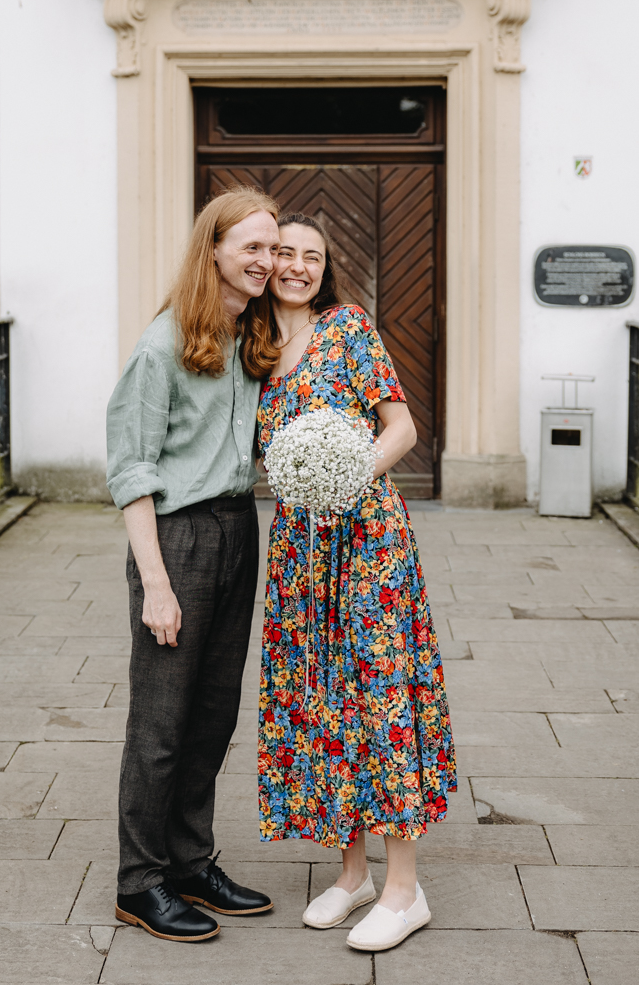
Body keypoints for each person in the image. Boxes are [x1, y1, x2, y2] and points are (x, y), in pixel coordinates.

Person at [256, 213, 456, 952]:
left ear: (324, 268)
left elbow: (399, 427)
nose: (298, 266)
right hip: (298, 551)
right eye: (285, 253)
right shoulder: (251, 345)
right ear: (265, 262)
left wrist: (347, 474)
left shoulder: (349, 329)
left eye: (312, 256)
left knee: (378, 692)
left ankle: (405, 889)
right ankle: (352, 875)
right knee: (320, 696)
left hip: (368, 538)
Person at [106, 187, 282, 943]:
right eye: (251, 246)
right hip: (176, 540)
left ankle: (189, 861)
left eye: (272, 248)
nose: (266, 261)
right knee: (161, 725)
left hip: (239, 531)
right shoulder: (162, 344)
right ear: (211, 248)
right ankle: (139, 882)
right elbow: (131, 471)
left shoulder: (250, 336)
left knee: (213, 714)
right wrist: (155, 585)